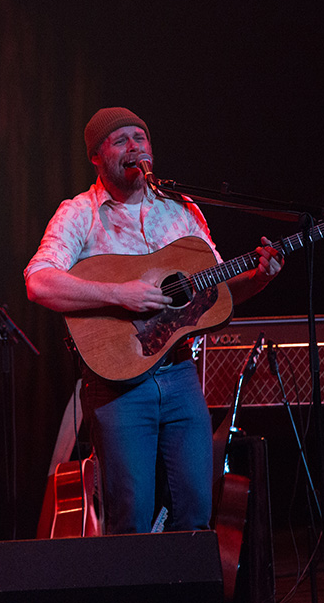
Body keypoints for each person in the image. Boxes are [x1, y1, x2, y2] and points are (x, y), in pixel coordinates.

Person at [25, 107, 283, 534]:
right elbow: (39, 283)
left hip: (181, 374)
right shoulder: (79, 213)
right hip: (118, 384)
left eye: (140, 138)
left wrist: (258, 278)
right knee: (131, 516)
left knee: (198, 510)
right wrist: (118, 293)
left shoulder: (181, 209)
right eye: (121, 140)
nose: (134, 147)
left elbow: (216, 294)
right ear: (96, 155)